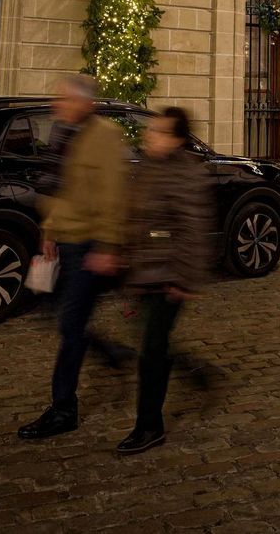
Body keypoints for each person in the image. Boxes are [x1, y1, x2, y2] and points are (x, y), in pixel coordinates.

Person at [19, 75, 130, 441]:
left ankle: (63, 408)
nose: (58, 105)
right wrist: (49, 233)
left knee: (69, 327)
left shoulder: (105, 136)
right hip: (64, 239)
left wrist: (108, 247)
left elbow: (113, 195)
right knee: (55, 311)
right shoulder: (63, 133)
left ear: (85, 103)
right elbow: (58, 187)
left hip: (88, 244)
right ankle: (108, 350)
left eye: (66, 100)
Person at [117, 106, 216, 455]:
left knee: (150, 351)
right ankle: (195, 371)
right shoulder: (148, 167)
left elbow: (193, 231)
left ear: (175, 139)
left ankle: (149, 425)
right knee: (151, 344)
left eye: (158, 131)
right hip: (146, 272)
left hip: (169, 277)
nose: (149, 135)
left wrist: (184, 281)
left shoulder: (187, 174)